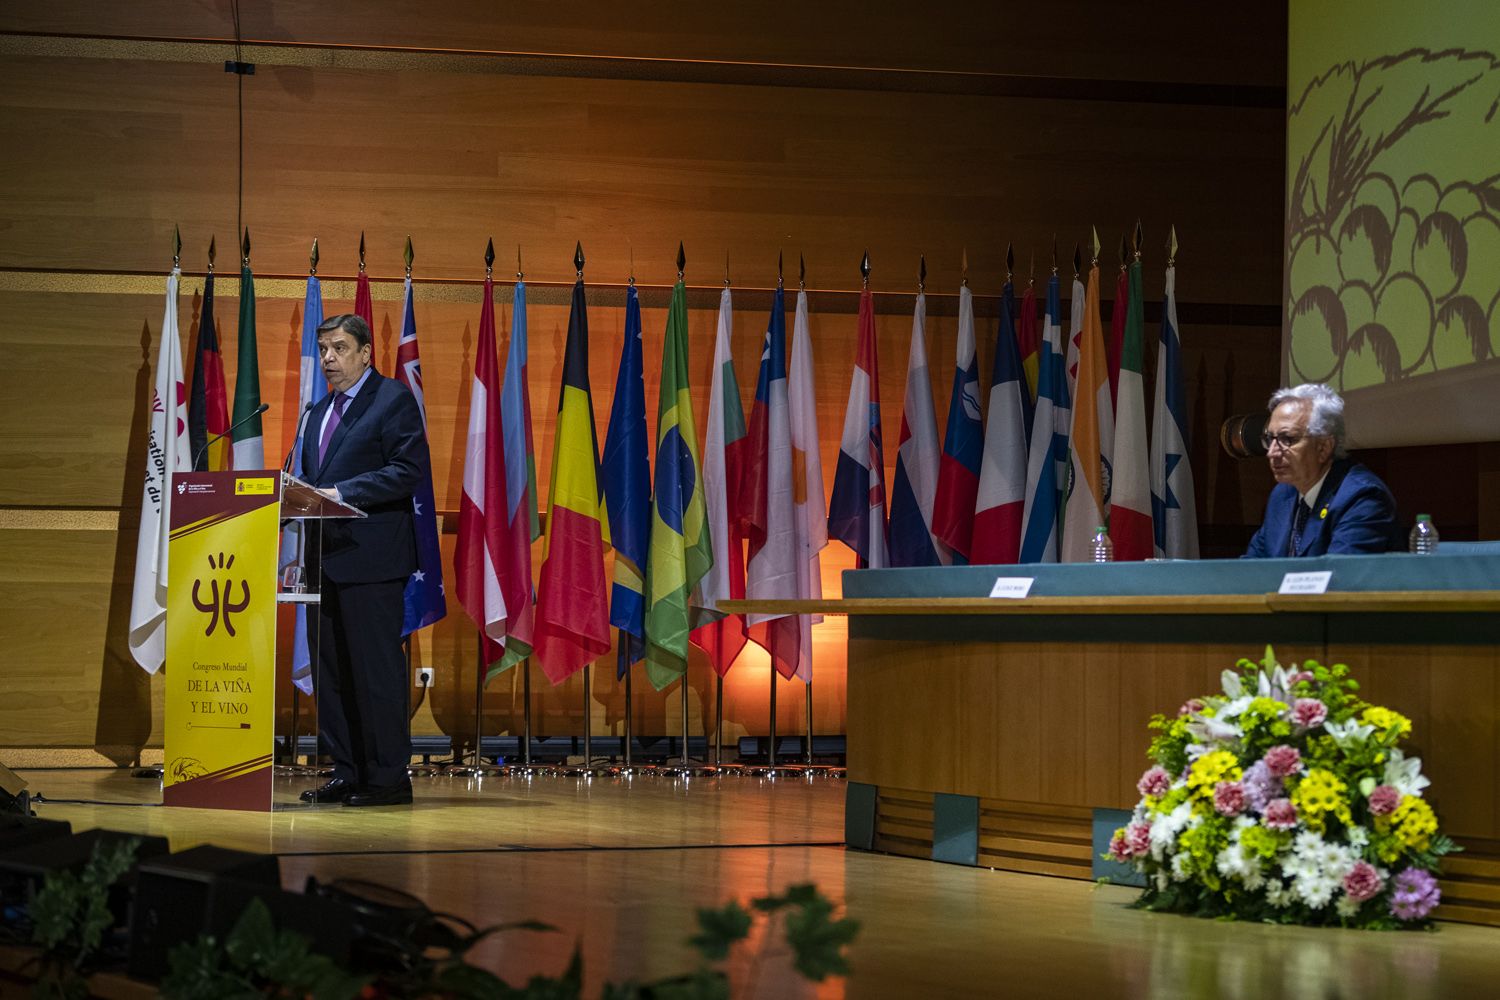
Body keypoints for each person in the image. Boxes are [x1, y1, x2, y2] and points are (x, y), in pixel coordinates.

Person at [298, 314, 429, 807]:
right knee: (333, 676)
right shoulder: (317, 411)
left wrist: (341, 492)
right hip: (324, 562)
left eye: (339, 348)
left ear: (366, 352)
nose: (329, 359)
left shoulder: (391, 399)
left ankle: (388, 780)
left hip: (372, 561)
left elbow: (407, 469)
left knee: (375, 675)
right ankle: (348, 772)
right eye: (324, 349)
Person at [1243, 383, 1400, 558]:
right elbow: (1252, 567)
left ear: (1324, 447)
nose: (1272, 452)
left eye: (1287, 439)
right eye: (1270, 439)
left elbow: (1339, 576)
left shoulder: (1361, 497)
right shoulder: (1282, 495)